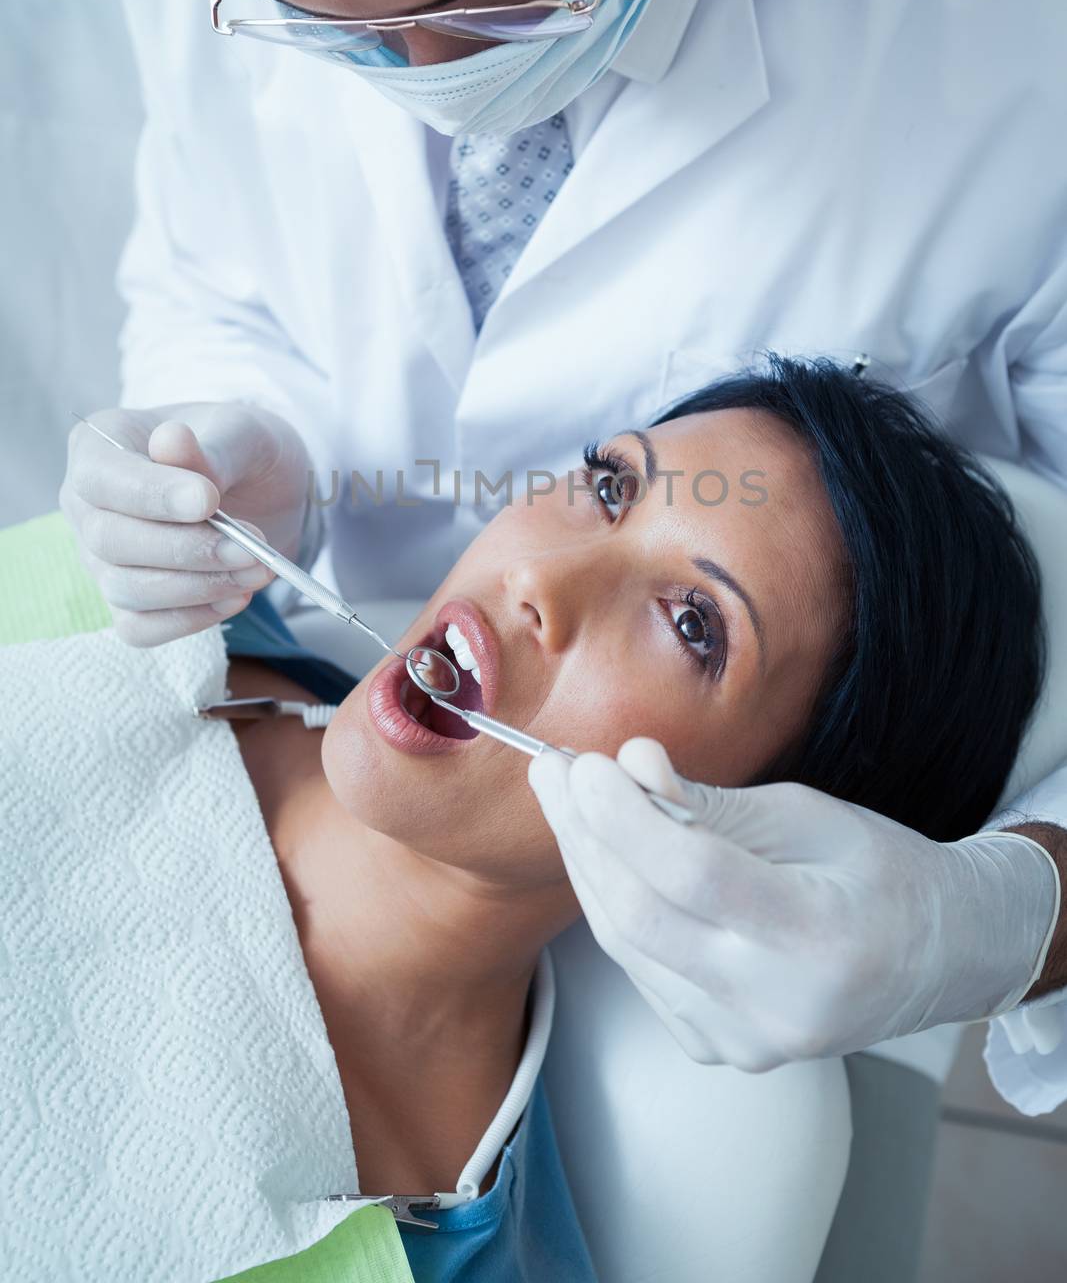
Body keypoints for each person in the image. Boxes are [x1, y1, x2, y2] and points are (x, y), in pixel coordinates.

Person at [9, 0, 1067, 1105]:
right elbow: (220, 281)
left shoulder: (1023, 21)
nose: (416, 76)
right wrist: (241, 434)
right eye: (313, 15)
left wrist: (997, 918)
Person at [15, 354, 1044, 1281]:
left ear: (757, 828)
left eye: (693, 623)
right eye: (607, 486)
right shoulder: (139, 591)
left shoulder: (433, 1254)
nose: (537, 578)